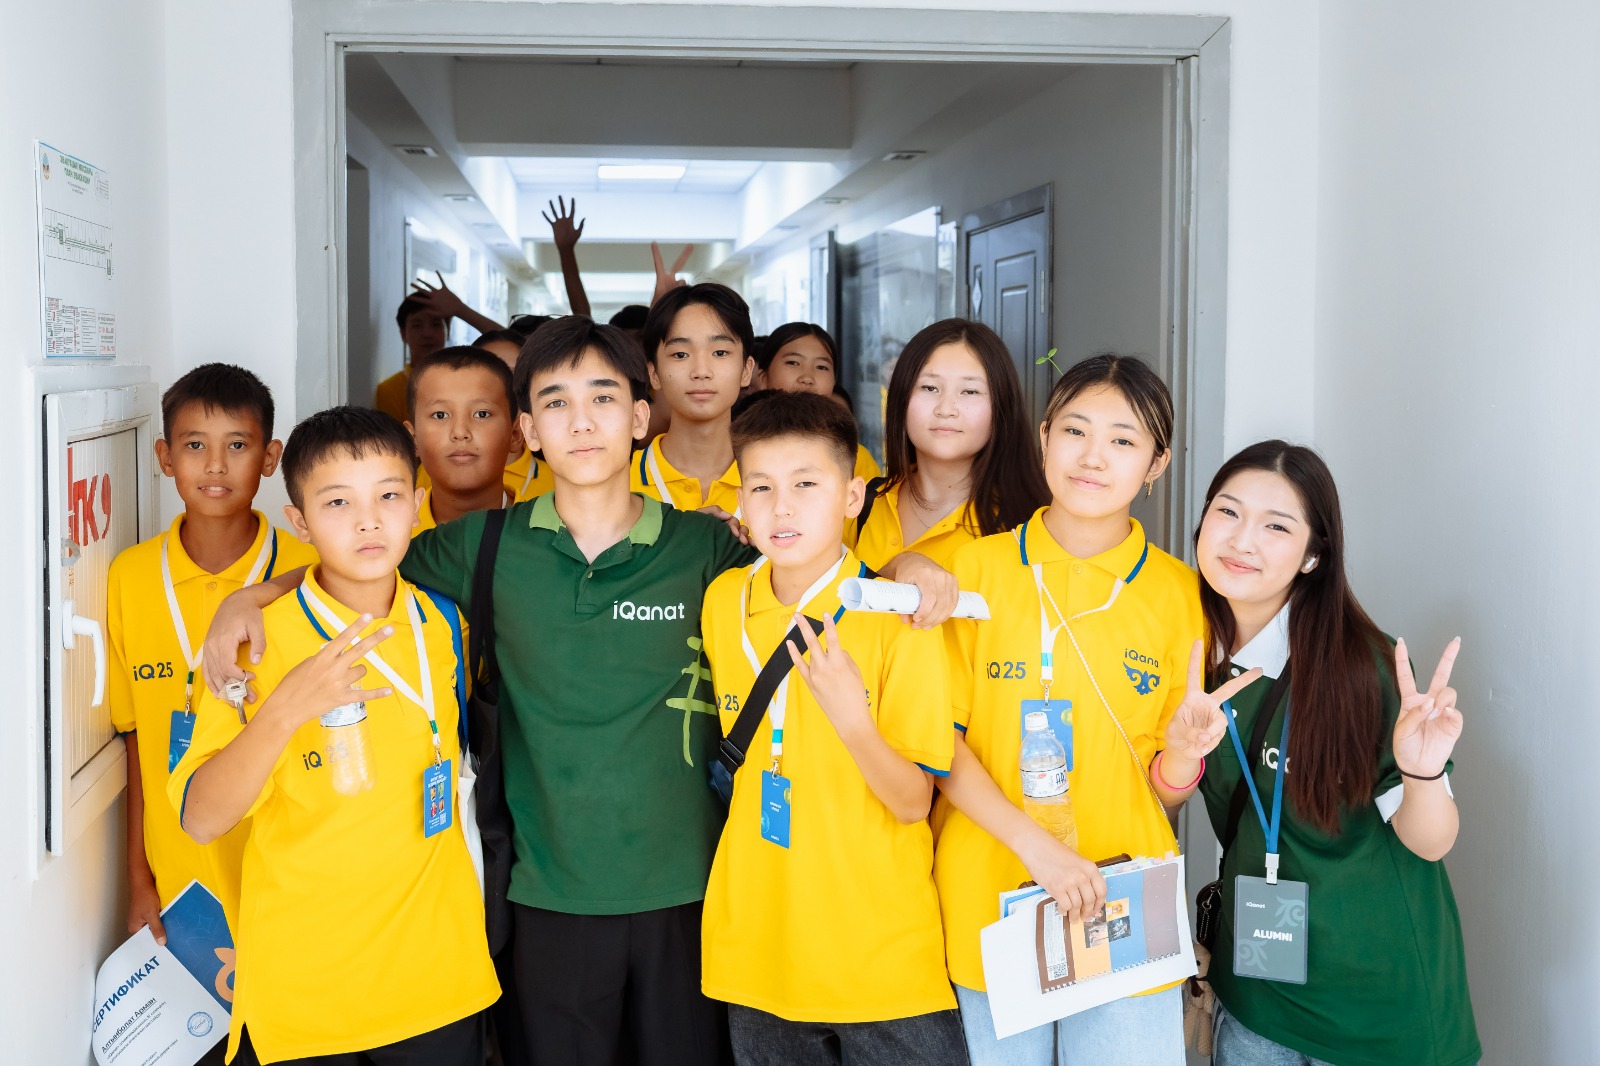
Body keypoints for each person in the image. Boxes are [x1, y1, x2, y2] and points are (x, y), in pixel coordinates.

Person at [171, 406, 497, 1065]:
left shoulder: (443, 623)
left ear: (418, 505)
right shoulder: (254, 644)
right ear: (300, 522)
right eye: (338, 502)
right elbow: (201, 819)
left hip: (439, 979)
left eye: (389, 496)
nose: (368, 521)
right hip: (307, 990)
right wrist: (283, 711)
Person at [933, 353, 1233, 1064]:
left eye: (1123, 440)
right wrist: (1038, 850)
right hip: (989, 901)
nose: (1093, 457)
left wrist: (1182, 760)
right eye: (1075, 430)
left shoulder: (1181, 595)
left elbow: (1161, 793)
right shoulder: (971, 573)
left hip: (1122, 906)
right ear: (1043, 438)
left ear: (1156, 464)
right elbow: (938, 743)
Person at [1183, 440, 1480, 1066]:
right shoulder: (1185, 653)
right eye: (1228, 512)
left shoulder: (1364, 667)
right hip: (1257, 999)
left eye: (1276, 526)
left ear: (1313, 555)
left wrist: (1423, 770)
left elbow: (1431, 842)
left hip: (1376, 1010)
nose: (1242, 540)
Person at [699, 392, 966, 1066]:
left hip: (880, 952)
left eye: (806, 485)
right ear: (740, 500)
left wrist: (854, 722)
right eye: (761, 487)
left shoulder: (898, 617)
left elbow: (913, 802)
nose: (781, 507)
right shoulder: (723, 601)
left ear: (851, 496)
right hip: (758, 943)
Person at [107, 364, 315, 1066]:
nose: (216, 465)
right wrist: (139, 882)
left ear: (271, 457)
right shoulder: (131, 577)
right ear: (165, 457)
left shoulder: (307, 566)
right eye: (195, 445)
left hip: (290, 868)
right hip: (183, 883)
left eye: (238, 445)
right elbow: (136, 743)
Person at [849, 318, 1047, 575]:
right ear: (901, 398)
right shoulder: (862, 502)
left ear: (1001, 408)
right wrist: (897, 568)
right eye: (930, 387)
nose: (946, 409)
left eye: (970, 391)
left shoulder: (1026, 528)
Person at [629, 283, 755, 516]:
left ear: (746, 370)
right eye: (680, 354)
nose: (701, 371)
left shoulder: (777, 481)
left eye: (720, 353)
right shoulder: (619, 480)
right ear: (653, 373)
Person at [405, 346, 523, 531]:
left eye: (482, 414)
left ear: (515, 434)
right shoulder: (394, 538)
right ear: (413, 439)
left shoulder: (546, 534)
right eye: (440, 415)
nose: (460, 432)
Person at [756, 322, 880, 481]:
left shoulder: (855, 459)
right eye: (793, 362)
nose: (807, 378)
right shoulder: (739, 449)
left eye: (821, 367)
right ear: (763, 378)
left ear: (833, 382)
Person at [472, 329, 555, 501]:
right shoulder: (430, 474)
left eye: (512, 374)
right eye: (488, 374)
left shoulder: (557, 479)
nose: (501, 386)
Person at [373, 293, 450, 423]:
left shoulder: (463, 380)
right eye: (417, 325)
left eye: (436, 324)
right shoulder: (390, 390)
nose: (427, 333)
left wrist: (461, 310)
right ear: (403, 334)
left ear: (448, 331)